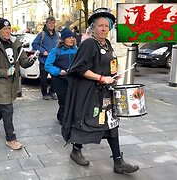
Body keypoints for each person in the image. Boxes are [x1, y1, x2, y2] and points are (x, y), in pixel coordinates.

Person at [62, 8, 139, 173]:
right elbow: (78, 69)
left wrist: (113, 75)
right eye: (100, 26)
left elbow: (107, 65)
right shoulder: (89, 43)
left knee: (111, 124)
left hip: (105, 92)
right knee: (85, 121)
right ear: (93, 27)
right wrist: (102, 78)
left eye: (106, 25)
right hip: (89, 93)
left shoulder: (107, 44)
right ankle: (76, 150)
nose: (104, 28)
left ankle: (118, 161)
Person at [0, 18, 35, 150]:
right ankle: (11, 139)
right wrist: (5, 71)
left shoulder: (15, 43)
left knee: (5, 106)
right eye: (4, 29)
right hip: (0, 81)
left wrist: (31, 60)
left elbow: (23, 62)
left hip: (13, 82)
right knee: (8, 109)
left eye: (9, 29)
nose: (7, 32)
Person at [45, 28, 77, 125]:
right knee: (63, 100)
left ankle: (66, 116)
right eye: (69, 37)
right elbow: (48, 65)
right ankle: (63, 118)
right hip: (60, 80)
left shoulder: (76, 50)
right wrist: (59, 71)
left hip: (73, 79)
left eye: (72, 37)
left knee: (72, 100)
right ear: (63, 39)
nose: (72, 39)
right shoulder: (56, 51)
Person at [32, 16, 58, 100]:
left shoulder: (57, 35)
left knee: (55, 78)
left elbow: (59, 45)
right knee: (44, 79)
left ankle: (52, 91)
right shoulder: (42, 34)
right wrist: (43, 51)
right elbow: (34, 44)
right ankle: (44, 93)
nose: (51, 25)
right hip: (44, 60)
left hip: (54, 61)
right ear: (46, 24)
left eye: (53, 23)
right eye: (49, 23)